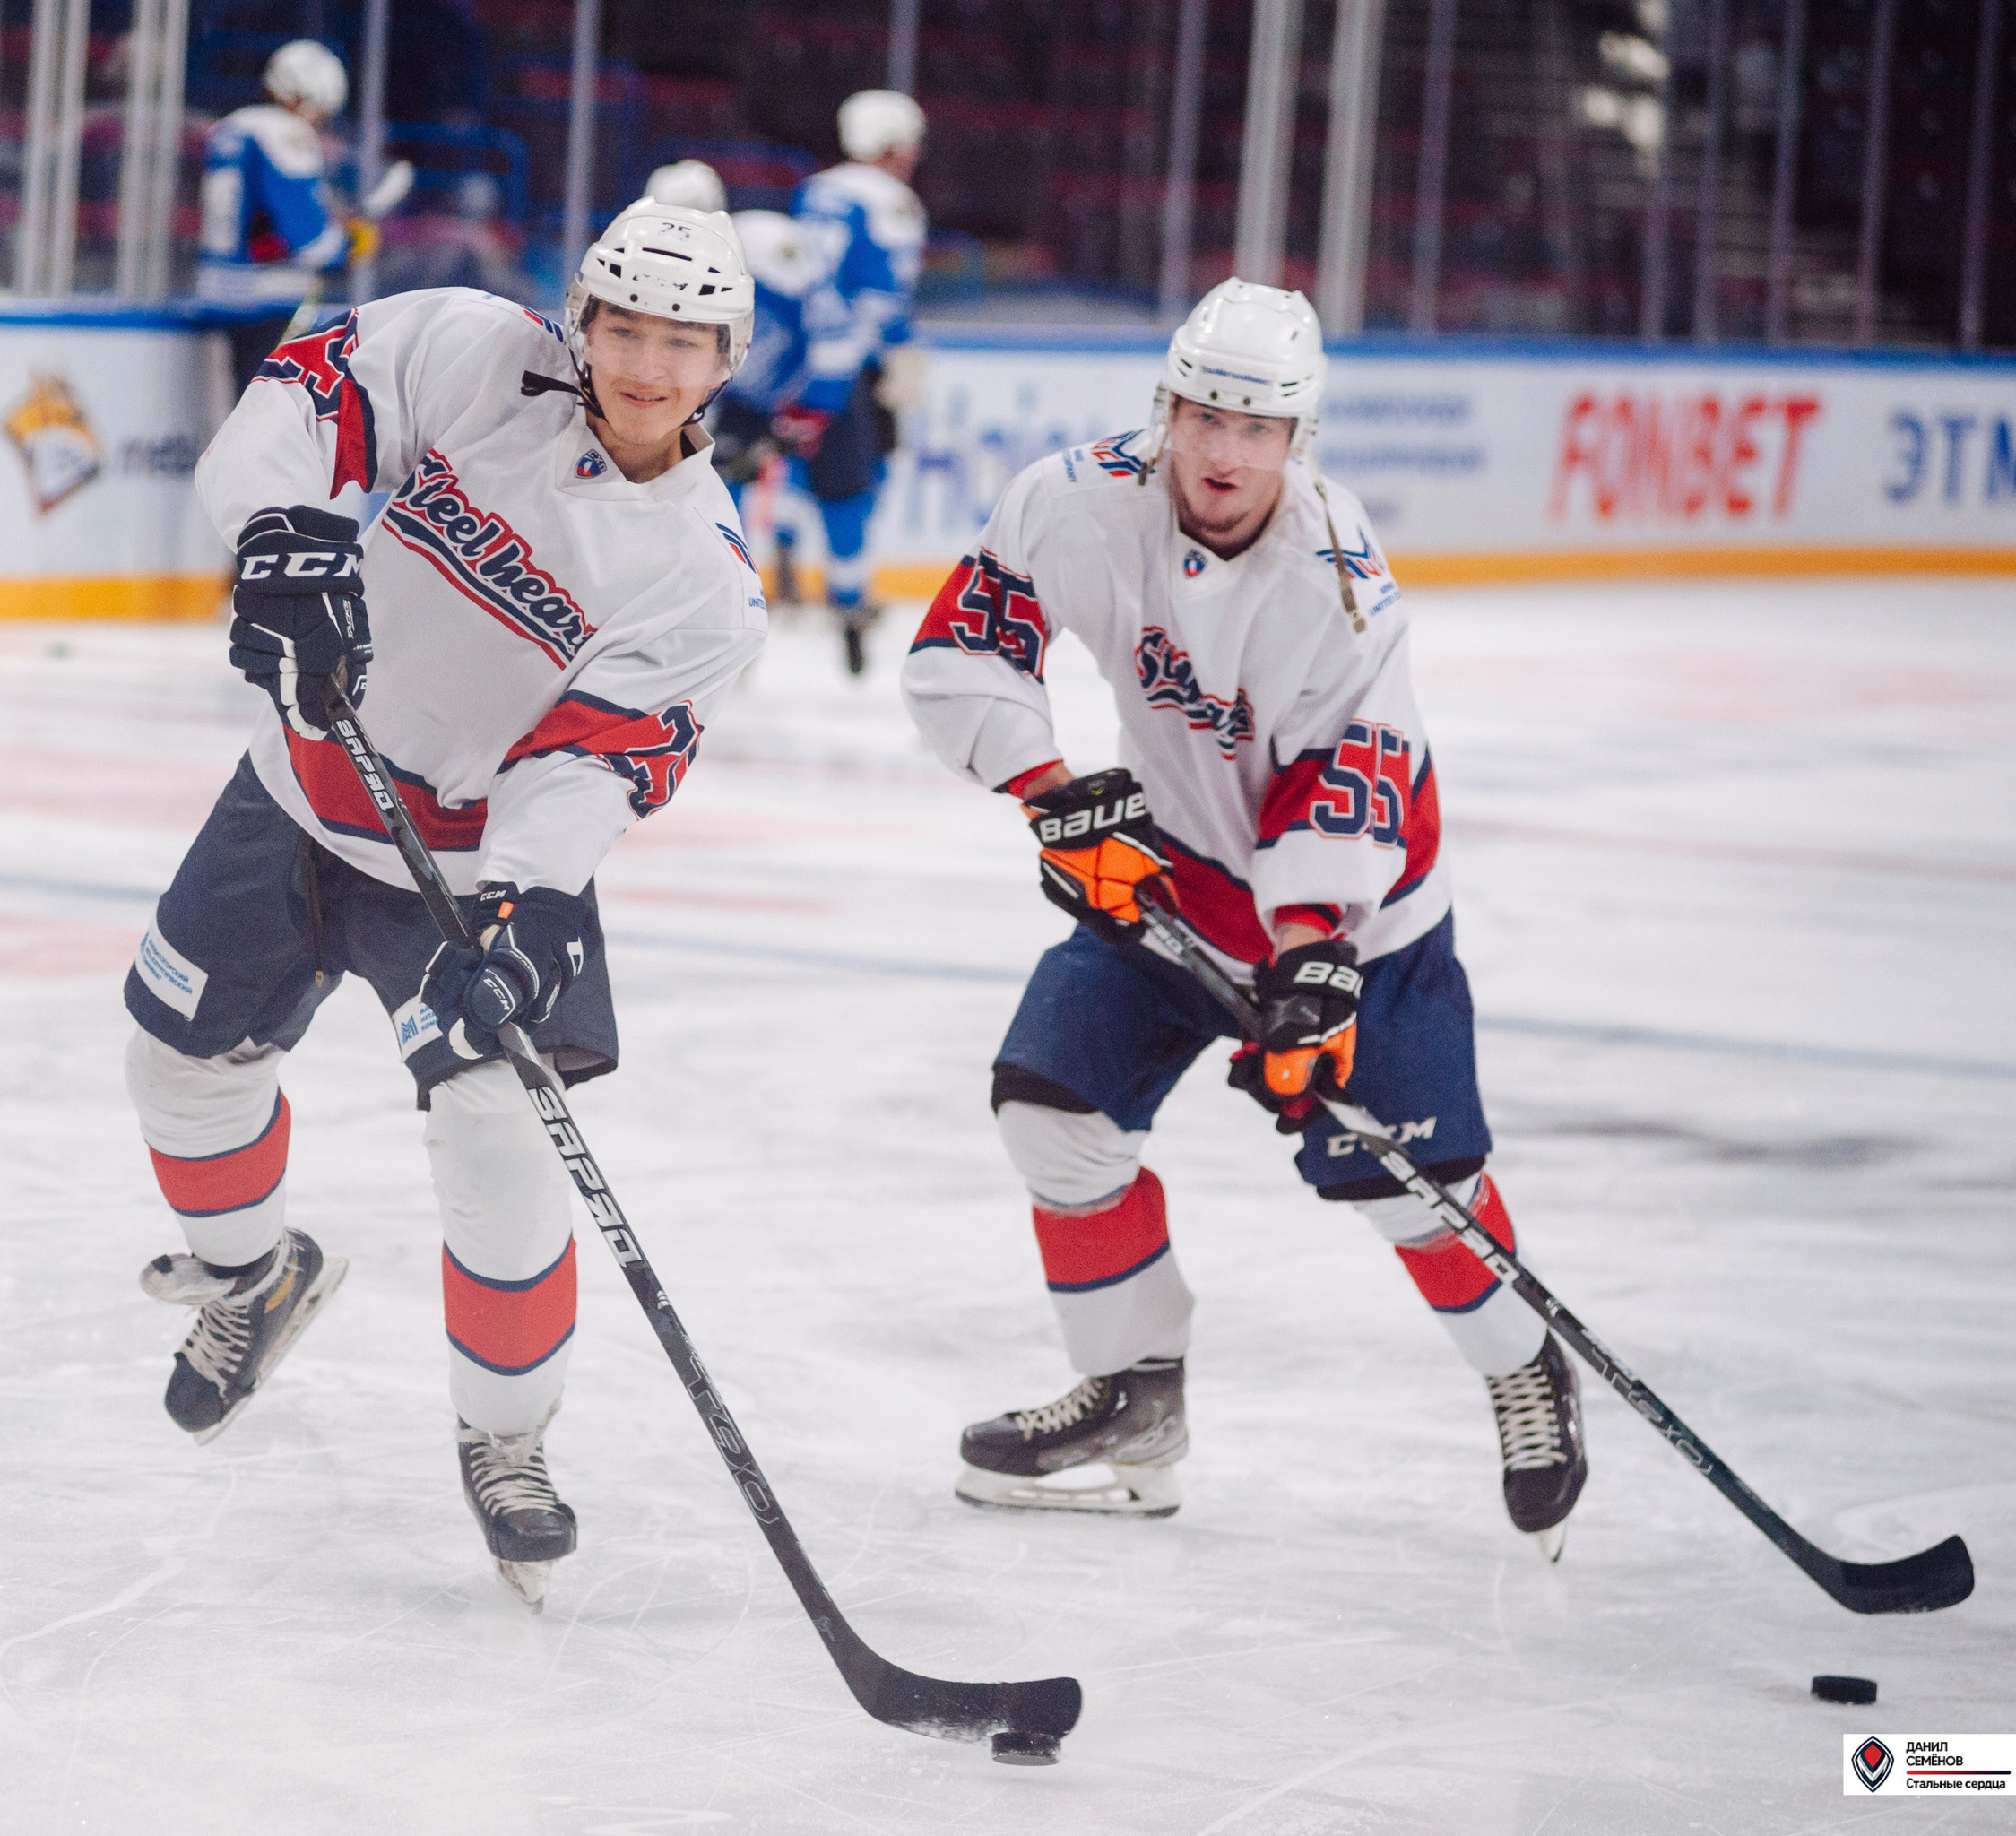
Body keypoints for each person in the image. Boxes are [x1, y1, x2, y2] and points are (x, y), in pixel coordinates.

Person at [125, 200, 765, 1606]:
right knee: (175, 1066)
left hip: (472, 876)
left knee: (497, 1139)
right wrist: (285, 533)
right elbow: (300, 399)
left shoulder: (704, 581)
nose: (648, 365)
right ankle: (252, 1277)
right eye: (626, 328)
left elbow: (595, 764)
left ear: (727, 359)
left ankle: (507, 1439)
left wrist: (530, 908)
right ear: (577, 321)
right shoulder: (474, 352)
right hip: (298, 794)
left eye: (684, 341)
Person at [897, 280, 1589, 1556]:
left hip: (1356, 921)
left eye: (1256, 428)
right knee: (1053, 1113)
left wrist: (1316, 954)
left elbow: (1357, 772)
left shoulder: (1335, 579)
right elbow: (966, 646)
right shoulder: (1073, 501)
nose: (1223, 452)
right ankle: (1135, 1401)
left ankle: (1521, 1365)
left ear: (1298, 441)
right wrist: (1052, 797)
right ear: (1163, 408)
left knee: (1406, 1185)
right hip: (1161, 882)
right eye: (1203, 415)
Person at [643, 160, 844, 610]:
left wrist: (808, 407)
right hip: (712, 397)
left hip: (756, 398)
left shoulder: (768, 248)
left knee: (720, 501)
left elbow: (827, 326)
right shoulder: (638, 259)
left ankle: (732, 599)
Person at [792, 89, 928, 675]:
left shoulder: (816, 190)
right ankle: (848, 602)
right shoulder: (892, 202)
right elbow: (882, 297)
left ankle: (784, 562)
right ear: (894, 144)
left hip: (800, 359)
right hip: (851, 366)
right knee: (855, 484)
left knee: (790, 470)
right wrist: (899, 352)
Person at [196, 39, 383, 390]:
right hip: (263, 298)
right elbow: (308, 238)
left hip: (217, 290)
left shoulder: (232, 127)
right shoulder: (284, 132)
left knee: (239, 403)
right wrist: (347, 246)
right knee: (270, 409)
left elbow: (257, 214)